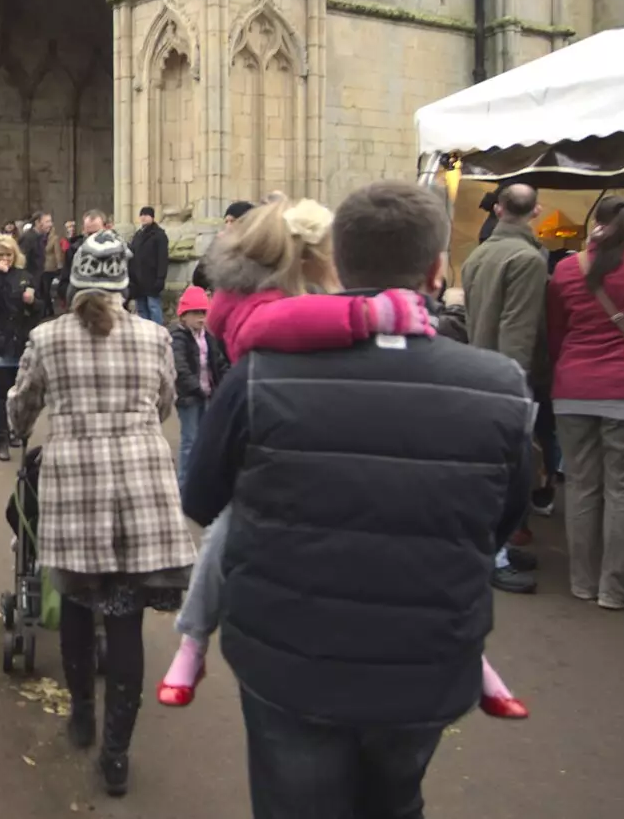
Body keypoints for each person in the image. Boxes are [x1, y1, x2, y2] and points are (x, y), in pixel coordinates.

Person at [182, 183, 532, 818]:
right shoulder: (500, 386)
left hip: (289, 658)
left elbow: (202, 497)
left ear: (338, 259)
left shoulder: (259, 375)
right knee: (396, 800)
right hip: (425, 658)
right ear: (435, 270)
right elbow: (502, 520)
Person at [7, 230, 197, 798]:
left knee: (76, 600)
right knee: (125, 616)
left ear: (73, 282)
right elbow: (165, 403)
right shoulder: (155, 336)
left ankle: (83, 717)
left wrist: (21, 429)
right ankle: (117, 754)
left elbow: (23, 405)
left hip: (76, 485)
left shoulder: (46, 337)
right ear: (123, 283)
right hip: (140, 483)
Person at [547, 195, 624, 610]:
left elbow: (556, 330)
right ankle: (618, 588)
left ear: (595, 223)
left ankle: (583, 582)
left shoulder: (567, 268)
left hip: (573, 388)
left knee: (582, 488)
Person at [461, 183, 549, 594]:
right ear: (536, 212)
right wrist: (516, 383)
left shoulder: (479, 254)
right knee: (506, 471)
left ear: (497, 209)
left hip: (481, 371)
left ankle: (496, 551)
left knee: (496, 469)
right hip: (504, 376)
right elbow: (518, 330)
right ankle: (494, 557)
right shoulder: (526, 258)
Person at [0, 234, 41, 461]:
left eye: (8, 254)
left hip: (19, 341)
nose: (5, 259)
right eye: (0, 255)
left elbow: (38, 309)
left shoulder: (24, 276)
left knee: (18, 391)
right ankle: (1, 439)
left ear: (15, 255)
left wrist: (32, 303)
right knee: (1, 391)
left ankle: (15, 430)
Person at [171, 285, 227, 486]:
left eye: (203, 312)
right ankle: (184, 484)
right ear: (183, 316)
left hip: (208, 394)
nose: (200, 318)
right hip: (189, 397)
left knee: (206, 440)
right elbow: (181, 367)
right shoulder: (178, 337)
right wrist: (197, 387)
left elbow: (218, 363)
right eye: (195, 313)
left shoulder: (209, 337)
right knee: (190, 441)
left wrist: (225, 383)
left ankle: (201, 481)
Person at [192, 200, 256, 289]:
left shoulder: (256, 247)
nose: (228, 226)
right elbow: (198, 280)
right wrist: (215, 247)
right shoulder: (222, 247)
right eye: (226, 222)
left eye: (233, 221)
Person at [129, 206, 168, 324]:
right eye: (142, 215)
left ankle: (159, 332)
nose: (143, 217)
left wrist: (160, 278)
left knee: (153, 307)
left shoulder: (159, 235)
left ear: (152, 217)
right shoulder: (137, 235)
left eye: (146, 215)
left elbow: (163, 258)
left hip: (152, 278)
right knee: (141, 308)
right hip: (138, 279)